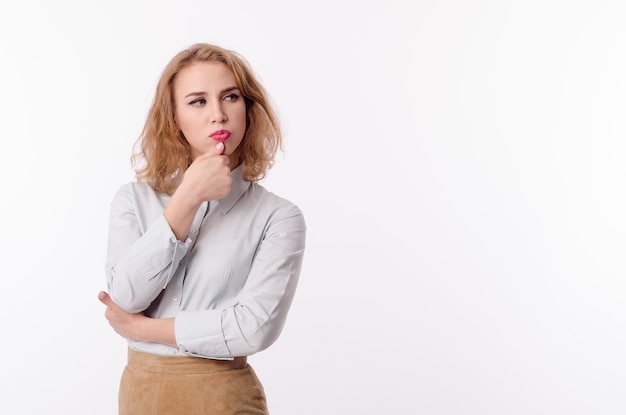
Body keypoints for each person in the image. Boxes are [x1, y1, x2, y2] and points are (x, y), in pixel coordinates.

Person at [97, 42, 306, 415]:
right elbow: (126, 297)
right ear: (174, 116)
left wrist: (144, 331)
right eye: (198, 101)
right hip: (139, 396)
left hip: (225, 399)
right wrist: (186, 201)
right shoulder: (133, 200)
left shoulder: (278, 217)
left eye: (230, 97)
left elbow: (252, 329)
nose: (218, 115)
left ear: (248, 109)